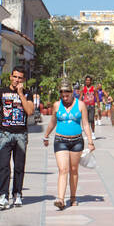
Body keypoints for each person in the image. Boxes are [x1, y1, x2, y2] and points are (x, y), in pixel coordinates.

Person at [44, 79, 93, 209]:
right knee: (63, 169)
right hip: (60, 141)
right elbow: (52, 122)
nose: (65, 98)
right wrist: (46, 135)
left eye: (67, 95)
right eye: (63, 95)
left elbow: (86, 124)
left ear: (72, 93)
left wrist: (90, 141)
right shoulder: (56, 105)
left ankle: (73, 196)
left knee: (73, 170)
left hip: (77, 141)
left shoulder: (81, 105)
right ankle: (60, 199)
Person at [0, 68, 34, 209]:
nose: (17, 80)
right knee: (3, 166)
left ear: (23, 80)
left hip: (21, 135)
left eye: (20, 78)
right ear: (10, 77)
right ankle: (3, 196)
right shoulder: (1, 92)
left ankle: (17, 194)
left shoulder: (28, 94)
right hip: (5, 134)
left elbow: (30, 111)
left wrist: (21, 94)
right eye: (15, 77)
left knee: (19, 166)